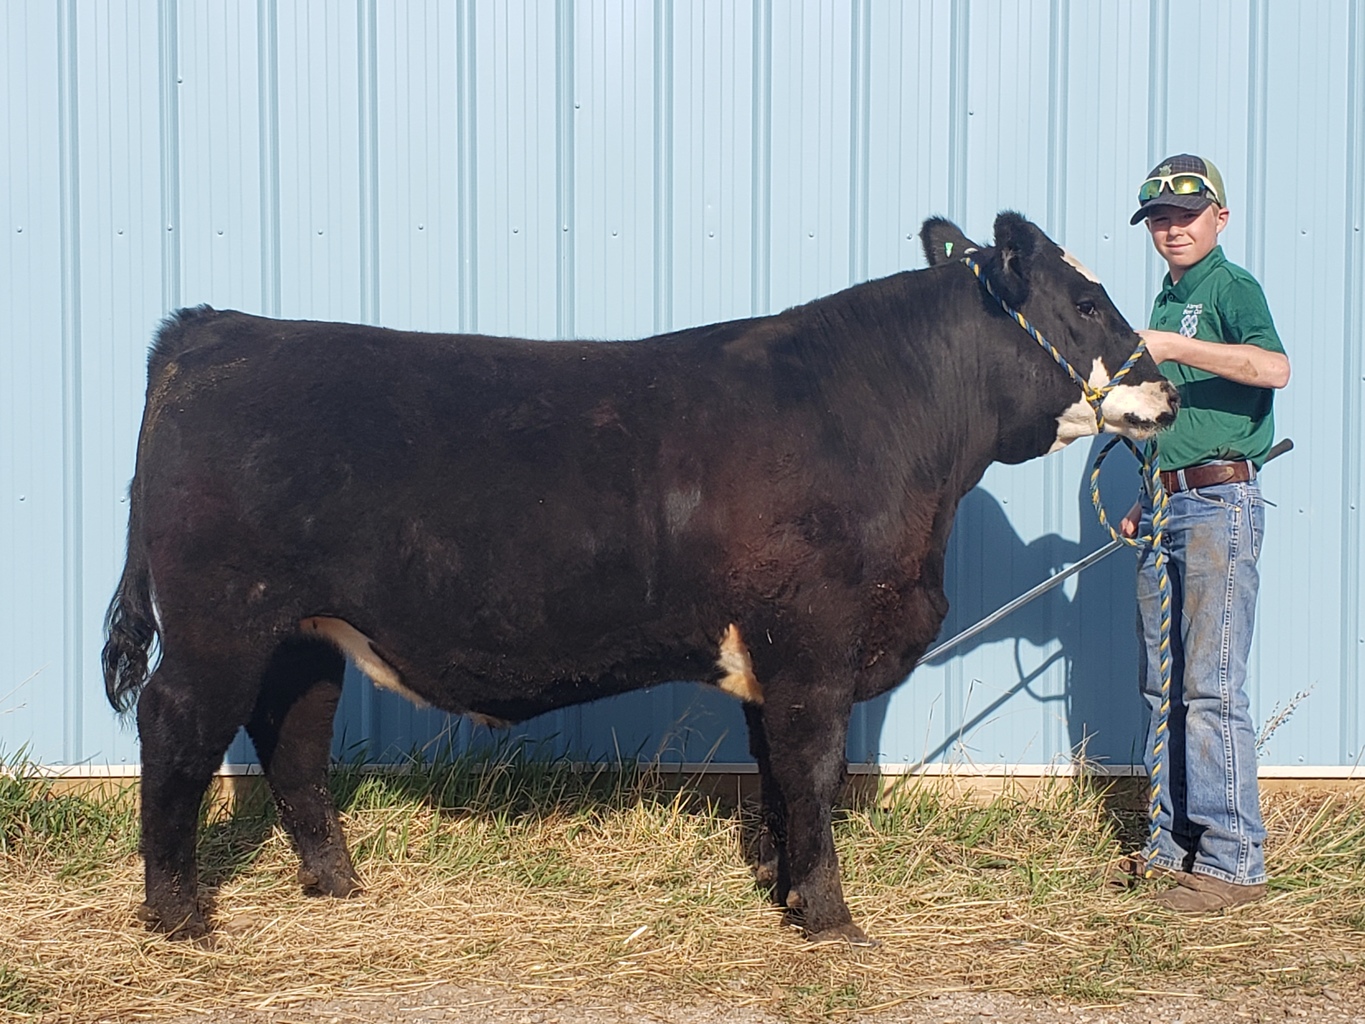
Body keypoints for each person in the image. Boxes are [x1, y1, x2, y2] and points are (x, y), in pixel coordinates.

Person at [1116, 154, 1291, 912]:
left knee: (1210, 687)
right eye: (1157, 218)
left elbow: (1273, 368)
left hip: (1219, 507)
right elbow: (1174, 420)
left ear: (1218, 218)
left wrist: (1173, 346)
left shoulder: (1229, 286)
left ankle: (1231, 866)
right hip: (1169, 504)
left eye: (1185, 215)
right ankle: (1173, 848)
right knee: (1163, 687)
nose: (1170, 228)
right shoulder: (1168, 293)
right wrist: (1144, 491)